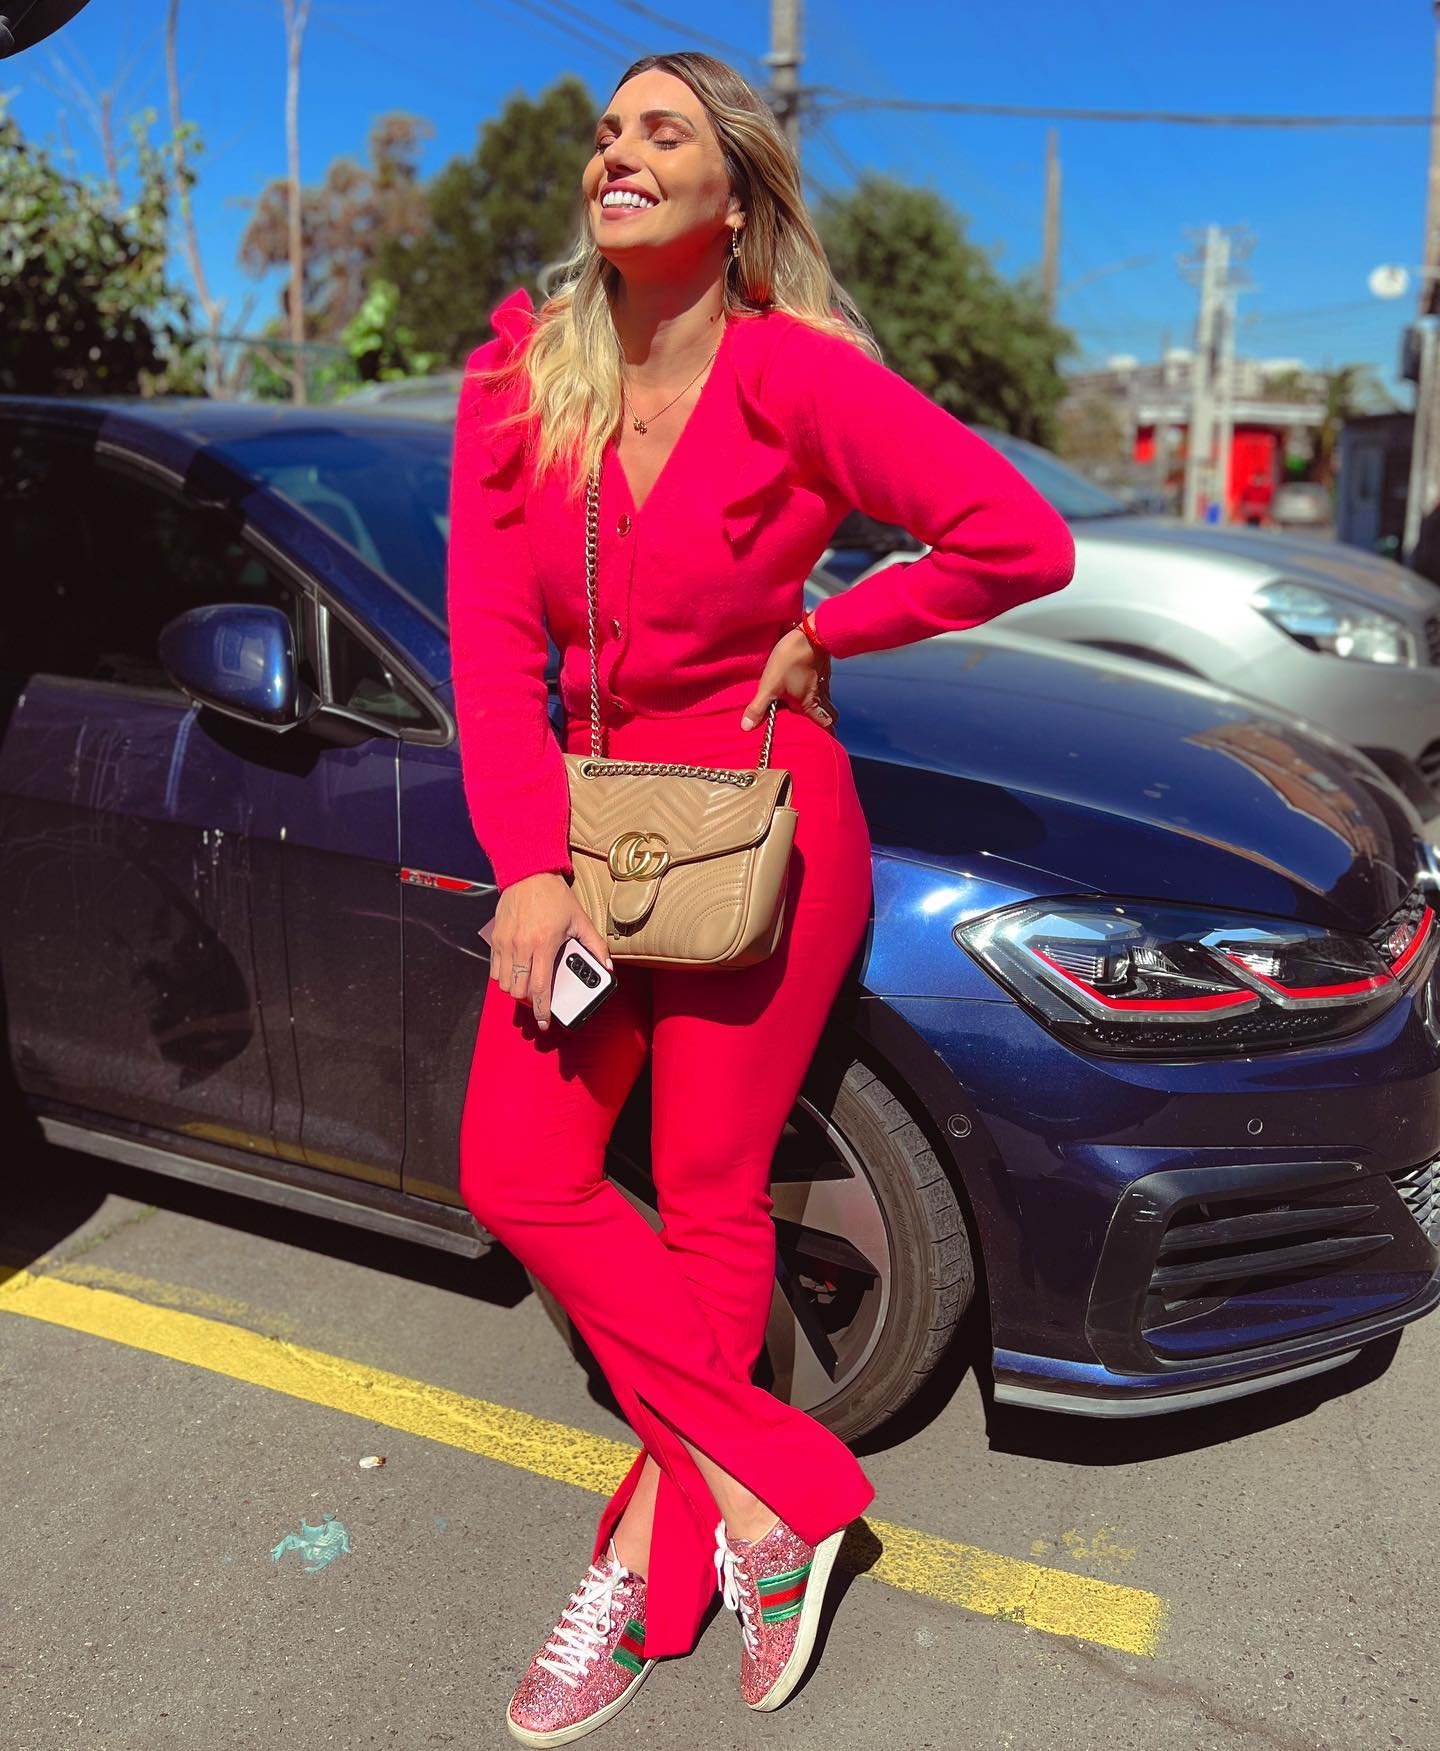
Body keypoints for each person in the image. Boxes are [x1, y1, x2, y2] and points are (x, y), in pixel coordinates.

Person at [446, 50, 1076, 1747]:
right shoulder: (520, 376)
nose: (618, 152)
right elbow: (492, 648)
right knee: (517, 1168)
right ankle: (779, 1487)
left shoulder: (795, 371)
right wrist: (526, 866)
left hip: (767, 826)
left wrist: (832, 630)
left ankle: (644, 1565)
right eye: (607, 132)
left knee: (714, 1198)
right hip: (591, 832)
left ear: (734, 196)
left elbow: (1017, 540)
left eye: (663, 132)